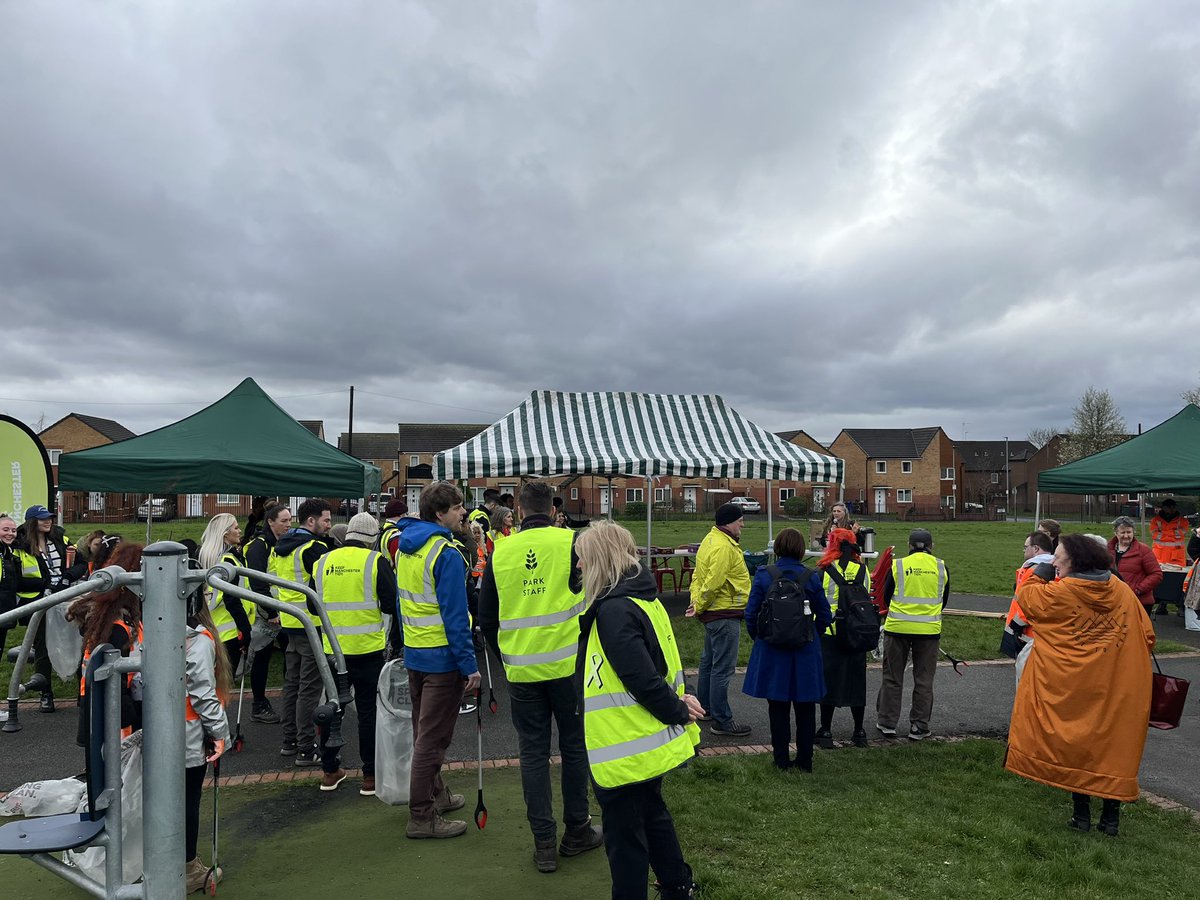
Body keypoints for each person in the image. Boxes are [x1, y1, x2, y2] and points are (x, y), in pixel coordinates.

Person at [478, 481, 602, 872]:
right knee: (573, 747)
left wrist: (507, 657)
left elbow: (486, 618)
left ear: (518, 507)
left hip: (521, 669)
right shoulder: (572, 543)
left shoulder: (501, 551)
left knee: (533, 752)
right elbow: (594, 598)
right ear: (551, 509)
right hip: (568, 666)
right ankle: (577, 829)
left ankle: (544, 843)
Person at [575, 521, 702, 900]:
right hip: (641, 741)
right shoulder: (644, 599)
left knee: (626, 840)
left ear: (599, 560)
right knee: (653, 815)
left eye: (582, 559)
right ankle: (677, 885)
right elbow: (665, 663)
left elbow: (642, 677)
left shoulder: (614, 610)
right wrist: (680, 702)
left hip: (622, 746)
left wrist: (678, 708)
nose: (578, 567)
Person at [1006, 533, 1154, 837]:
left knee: (1078, 748)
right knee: (1113, 748)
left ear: (1075, 561)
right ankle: (1110, 818)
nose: (1055, 561)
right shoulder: (1122, 592)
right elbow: (1147, 636)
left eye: (1058, 557)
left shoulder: (1059, 594)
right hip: (1117, 686)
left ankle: (1081, 815)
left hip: (1075, 687)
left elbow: (1028, 598)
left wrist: (1041, 571)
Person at [395, 481, 480, 839]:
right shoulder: (444, 553)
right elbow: (455, 617)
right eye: (458, 507)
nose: (463, 513)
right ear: (440, 513)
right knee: (432, 740)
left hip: (416, 653)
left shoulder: (405, 547)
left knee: (423, 733)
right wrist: (469, 665)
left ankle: (436, 794)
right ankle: (421, 816)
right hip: (442, 659)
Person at [314, 513, 401, 796]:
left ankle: (329, 771)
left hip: (332, 651)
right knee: (367, 712)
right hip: (367, 649)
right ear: (373, 538)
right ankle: (370, 776)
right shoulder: (376, 562)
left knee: (331, 710)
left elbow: (312, 605)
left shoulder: (322, 562)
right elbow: (391, 604)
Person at [743, 527, 831, 770]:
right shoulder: (810, 576)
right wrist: (813, 634)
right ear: (801, 549)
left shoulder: (764, 575)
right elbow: (824, 614)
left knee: (777, 707)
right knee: (805, 708)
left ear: (778, 548)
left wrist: (760, 637)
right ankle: (805, 761)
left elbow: (751, 614)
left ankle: (780, 760)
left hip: (772, 649)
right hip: (804, 649)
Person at [269, 498, 334, 765]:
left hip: (290, 623)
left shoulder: (281, 547)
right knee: (309, 689)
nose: (329, 525)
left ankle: (290, 741)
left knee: (292, 685)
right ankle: (307, 747)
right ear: (311, 521)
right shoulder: (314, 548)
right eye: (327, 520)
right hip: (311, 625)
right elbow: (324, 586)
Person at [66, 542, 146, 746]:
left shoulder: (108, 618)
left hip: (101, 707)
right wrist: (131, 715)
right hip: (113, 716)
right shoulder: (117, 626)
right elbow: (112, 678)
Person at [875, 528, 949, 741]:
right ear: (931, 546)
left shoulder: (898, 565)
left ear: (909, 545)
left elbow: (886, 596)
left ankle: (887, 722)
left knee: (892, 677)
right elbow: (943, 600)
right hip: (928, 632)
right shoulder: (941, 567)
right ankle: (919, 726)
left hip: (897, 628)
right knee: (924, 680)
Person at [184, 576, 232, 892]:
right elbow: (202, 691)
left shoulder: (151, 633)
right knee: (188, 801)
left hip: (154, 734)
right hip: (187, 736)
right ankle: (186, 868)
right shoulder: (199, 640)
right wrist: (220, 733)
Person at [689, 503, 752, 737]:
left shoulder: (710, 540)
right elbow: (713, 582)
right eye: (739, 521)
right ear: (729, 522)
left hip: (713, 613)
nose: (742, 525)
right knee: (722, 670)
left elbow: (698, 576)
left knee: (708, 664)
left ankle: (705, 708)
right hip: (724, 612)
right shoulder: (724, 547)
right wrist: (701, 605)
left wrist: (697, 604)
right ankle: (722, 720)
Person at [17, 505, 86, 712]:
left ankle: (83, 693)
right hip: (39, 603)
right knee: (42, 647)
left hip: (67, 597)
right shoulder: (20, 546)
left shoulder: (60, 538)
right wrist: (45, 587)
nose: (48, 521)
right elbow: (17, 580)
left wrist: (67, 577)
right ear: (31, 522)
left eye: (49, 518)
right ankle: (45, 693)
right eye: (42, 519)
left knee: (79, 643)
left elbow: (81, 562)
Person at [815, 527, 871, 748]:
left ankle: (826, 730)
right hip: (857, 633)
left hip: (830, 633)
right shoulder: (863, 570)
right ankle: (859, 731)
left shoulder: (824, 569)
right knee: (857, 682)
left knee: (829, 681)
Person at [242, 502, 291, 723]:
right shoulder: (259, 546)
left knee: (290, 654)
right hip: (265, 612)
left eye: (290, 520)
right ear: (270, 521)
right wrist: (271, 611)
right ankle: (259, 703)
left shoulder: (280, 544)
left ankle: (288, 699)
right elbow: (258, 582)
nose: (289, 525)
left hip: (281, 609)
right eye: (284, 521)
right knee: (262, 655)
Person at [0, 515, 49, 705]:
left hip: (5, 615)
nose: (10, 533)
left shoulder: (8, 553)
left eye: (13, 530)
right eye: (5, 529)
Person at [197, 513, 253, 676]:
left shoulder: (207, 557)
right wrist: (245, 629)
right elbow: (232, 599)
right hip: (231, 630)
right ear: (224, 533)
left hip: (211, 626)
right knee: (224, 685)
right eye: (236, 527)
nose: (240, 531)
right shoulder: (228, 562)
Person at [1001, 531, 1055, 685]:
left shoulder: (1036, 570)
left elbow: (1032, 602)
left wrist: (1018, 623)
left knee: (1026, 680)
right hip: (1025, 631)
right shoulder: (1041, 567)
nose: (1024, 551)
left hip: (1027, 633)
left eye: (1026, 547)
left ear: (1036, 549)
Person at [1107, 516, 1162, 613]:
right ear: (1116, 533)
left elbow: (1156, 574)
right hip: (1114, 601)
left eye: (1129, 532)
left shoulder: (1144, 550)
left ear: (1133, 532)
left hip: (1140, 601)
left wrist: (1138, 589)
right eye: (1122, 532)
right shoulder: (1106, 550)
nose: (1126, 536)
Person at [1149, 498, 1188, 568]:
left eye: (1173, 507)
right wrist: (1173, 533)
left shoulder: (1182, 520)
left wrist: (1163, 533)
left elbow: (1182, 533)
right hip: (1159, 556)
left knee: (1178, 577)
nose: (1172, 509)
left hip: (1176, 557)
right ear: (1164, 508)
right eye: (1169, 507)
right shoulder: (1155, 520)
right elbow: (1154, 535)